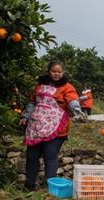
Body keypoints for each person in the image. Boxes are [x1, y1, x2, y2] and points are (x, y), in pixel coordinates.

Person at [19, 61, 86, 191]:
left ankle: (49, 187)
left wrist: (76, 109)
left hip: (55, 127)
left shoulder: (67, 87)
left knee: (50, 156)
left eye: (59, 72)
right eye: (54, 71)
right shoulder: (40, 85)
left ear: (63, 73)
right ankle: (29, 185)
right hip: (36, 126)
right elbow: (32, 102)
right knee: (31, 156)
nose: (56, 74)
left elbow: (72, 99)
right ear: (49, 71)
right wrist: (25, 115)